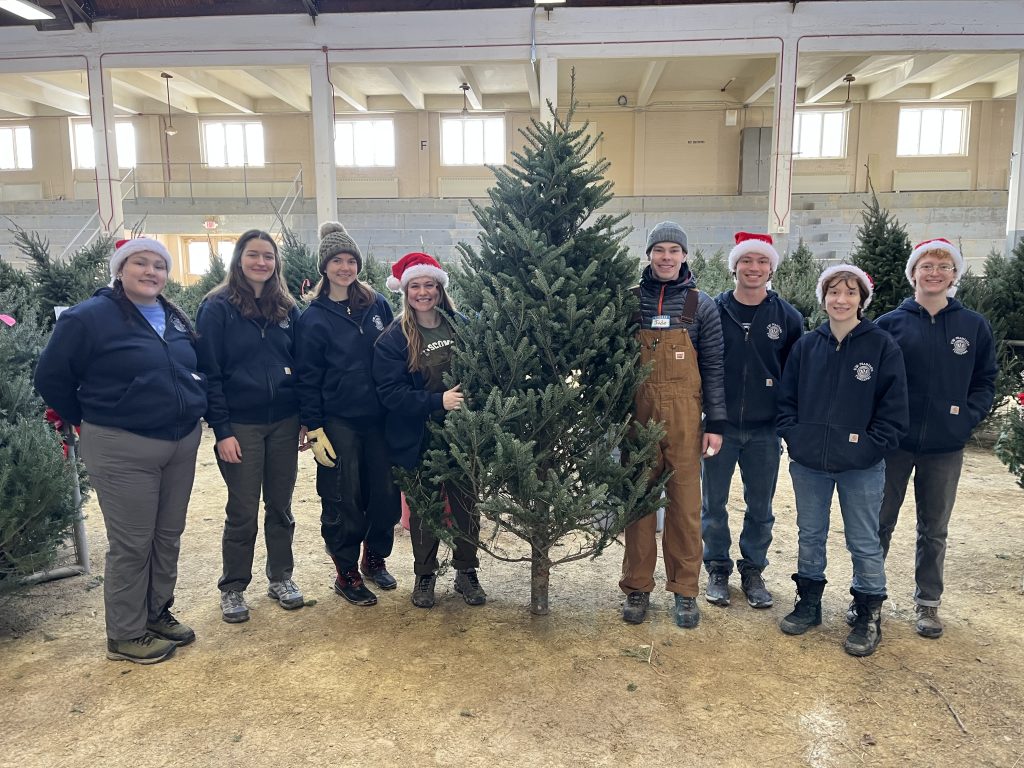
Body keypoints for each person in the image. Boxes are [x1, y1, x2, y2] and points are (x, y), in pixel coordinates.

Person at [34, 238, 206, 664]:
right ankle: (125, 633)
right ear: (120, 269)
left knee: (168, 533)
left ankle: (156, 611)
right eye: (140, 263)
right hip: (121, 445)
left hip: (180, 441)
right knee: (133, 540)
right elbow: (51, 376)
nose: (151, 272)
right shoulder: (88, 318)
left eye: (159, 266)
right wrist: (89, 417)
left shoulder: (173, 315)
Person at [776, 264, 908, 657]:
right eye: (834, 292)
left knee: (864, 540)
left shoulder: (882, 346)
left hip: (861, 467)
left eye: (851, 292)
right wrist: (797, 437)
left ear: (862, 300)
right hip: (810, 462)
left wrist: (869, 447)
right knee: (810, 533)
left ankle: (868, 612)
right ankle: (809, 602)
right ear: (824, 298)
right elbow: (787, 401)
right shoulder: (807, 346)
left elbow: (893, 410)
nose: (841, 299)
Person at [873, 238, 997, 639]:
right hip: (895, 444)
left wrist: (966, 420)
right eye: (927, 266)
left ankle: (928, 603)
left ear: (954, 276)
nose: (935, 273)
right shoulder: (890, 324)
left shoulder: (972, 326)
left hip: (945, 446)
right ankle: (870, 598)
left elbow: (985, 381)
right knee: (880, 523)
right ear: (914, 273)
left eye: (944, 268)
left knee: (934, 528)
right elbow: (871, 381)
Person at [619, 221, 726, 629]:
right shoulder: (630, 302)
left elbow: (715, 367)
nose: (666, 257)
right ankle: (637, 588)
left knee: (685, 504)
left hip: (685, 417)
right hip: (637, 415)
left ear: (685, 256)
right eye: (659, 249)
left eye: (674, 250)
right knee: (639, 502)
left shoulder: (702, 306)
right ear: (648, 255)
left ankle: (685, 590)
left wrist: (715, 422)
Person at [196, 230, 304, 624]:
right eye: (253, 255)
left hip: (284, 422)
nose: (261, 262)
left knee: (281, 505)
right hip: (240, 425)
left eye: (269, 256)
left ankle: (281, 578)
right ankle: (234, 586)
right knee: (242, 509)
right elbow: (209, 372)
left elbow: (302, 364)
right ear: (239, 259)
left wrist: (305, 418)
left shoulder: (287, 308)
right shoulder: (217, 307)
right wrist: (222, 430)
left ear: (277, 263)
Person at [372, 251, 486, 609]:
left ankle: (467, 571)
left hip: (462, 433)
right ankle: (425, 574)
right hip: (418, 436)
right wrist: (438, 402)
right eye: (415, 286)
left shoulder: (461, 324)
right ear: (405, 292)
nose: (423, 292)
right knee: (424, 506)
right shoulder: (393, 337)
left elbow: (482, 370)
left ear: (439, 288)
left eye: (429, 285)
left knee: (466, 503)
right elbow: (390, 393)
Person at [295, 222, 400, 607]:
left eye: (350, 260)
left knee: (385, 494)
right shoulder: (313, 318)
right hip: (339, 420)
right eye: (337, 260)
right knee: (344, 496)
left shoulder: (377, 304)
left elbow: (395, 353)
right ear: (325, 266)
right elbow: (307, 377)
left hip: (379, 417)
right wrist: (314, 425)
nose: (345, 267)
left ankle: (374, 558)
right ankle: (346, 570)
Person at [700, 232, 803, 610]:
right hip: (718, 428)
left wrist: (787, 423)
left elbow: (795, 375)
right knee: (713, 503)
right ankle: (717, 568)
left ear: (771, 267)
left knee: (761, 506)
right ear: (735, 266)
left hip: (765, 430)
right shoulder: (713, 310)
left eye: (762, 262)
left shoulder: (788, 317)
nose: (754, 268)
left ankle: (753, 569)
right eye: (747, 261)